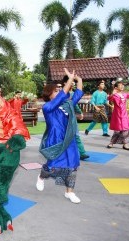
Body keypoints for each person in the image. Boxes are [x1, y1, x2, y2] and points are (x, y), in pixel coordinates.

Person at [36, 69, 83, 204]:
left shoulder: (68, 104)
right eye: (55, 91)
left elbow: (78, 94)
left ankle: (70, 192)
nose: (59, 92)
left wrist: (77, 79)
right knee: (52, 166)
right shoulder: (48, 107)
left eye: (59, 90)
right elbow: (64, 93)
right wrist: (70, 79)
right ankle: (41, 176)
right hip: (56, 140)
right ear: (49, 94)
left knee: (73, 165)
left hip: (69, 140)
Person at [106, 81, 129, 151]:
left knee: (126, 129)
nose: (122, 86)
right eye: (120, 85)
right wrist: (112, 94)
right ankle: (111, 143)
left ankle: (125, 144)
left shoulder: (125, 94)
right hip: (117, 114)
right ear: (116, 87)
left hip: (124, 114)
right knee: (117, 130)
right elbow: (109, 99)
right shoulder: (114, 95)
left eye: (123, 85)